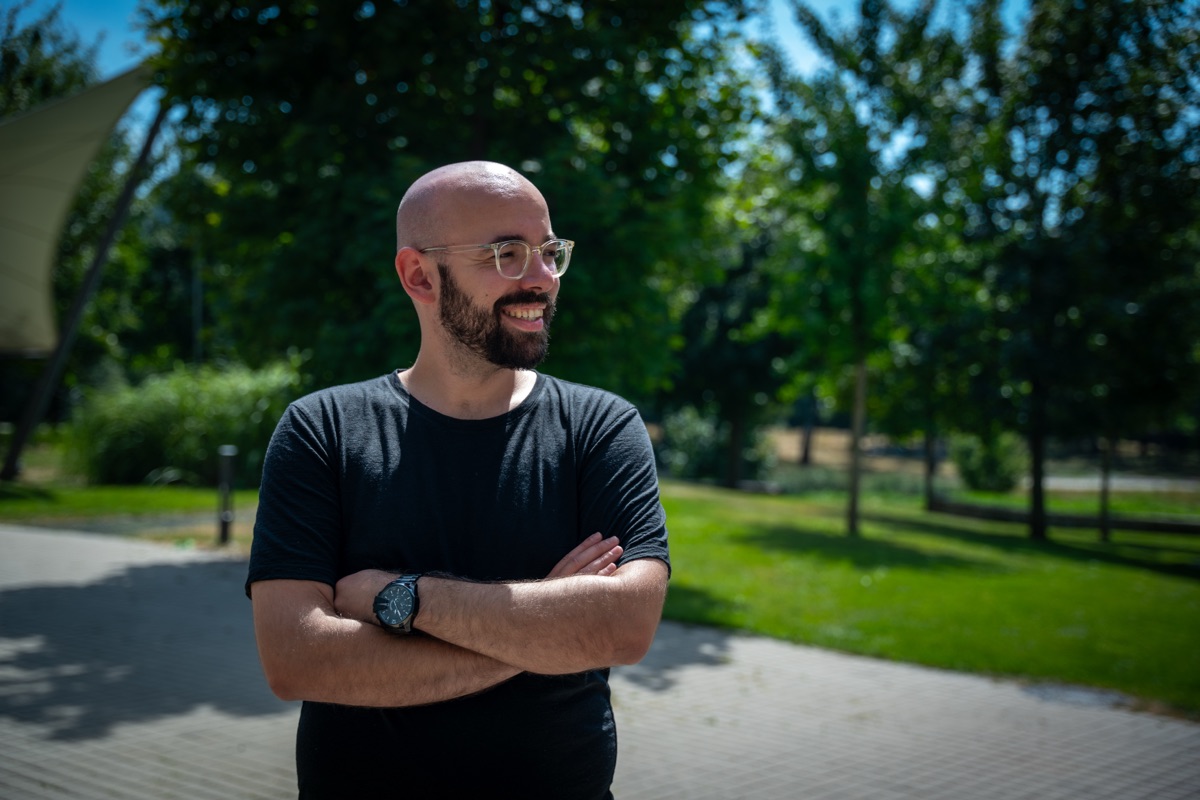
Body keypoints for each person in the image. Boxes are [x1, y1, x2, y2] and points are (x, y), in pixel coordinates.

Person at [247, 160, 671, 799]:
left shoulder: (601, 428)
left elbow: (624, 627)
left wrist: (403, 598)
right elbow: (296, 659)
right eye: (505, 253)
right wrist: (544, 627)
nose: (541, 279)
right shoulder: (323, 429)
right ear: (419, 274)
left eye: (549, 251)